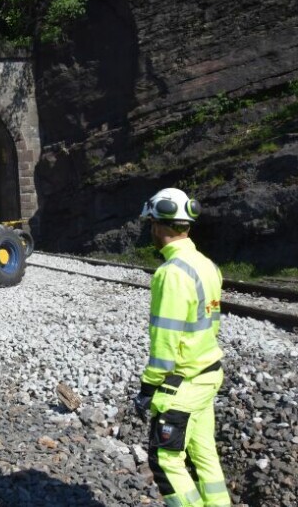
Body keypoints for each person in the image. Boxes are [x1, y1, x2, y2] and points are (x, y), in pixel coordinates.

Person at [134, 188, 231, 507]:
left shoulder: (171, 274)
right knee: (205, 457)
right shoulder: (206, 265)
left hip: (184, 383)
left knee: (166, 461)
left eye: (151, 224)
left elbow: (165, 341)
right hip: (208, 374)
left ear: (159, 226)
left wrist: (149, 386)